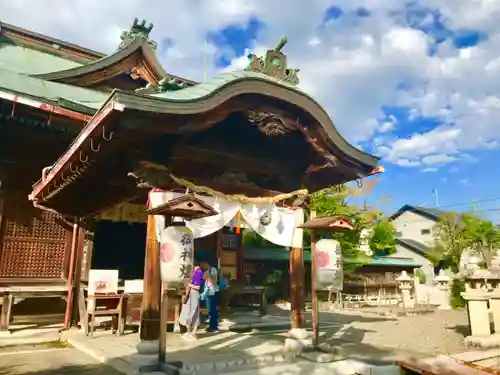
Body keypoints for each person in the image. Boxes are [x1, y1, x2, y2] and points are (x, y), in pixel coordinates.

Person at [178, 262, 203, 339]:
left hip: (194, 293)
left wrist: (189, 285)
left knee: (194, 312)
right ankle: (189, 331)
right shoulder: (193, 272)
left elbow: (198, 287)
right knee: (187, 312)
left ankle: (193, 332)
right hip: (190, 293)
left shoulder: (198, 272)